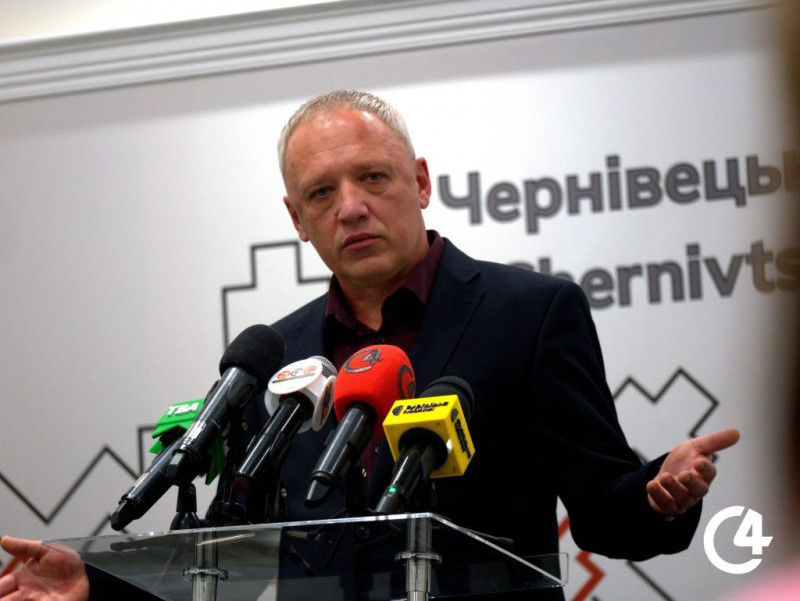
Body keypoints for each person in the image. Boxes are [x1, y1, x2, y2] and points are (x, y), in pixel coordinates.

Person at [1, 90, 740, 601]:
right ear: (297, 219)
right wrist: (95, 586)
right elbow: (228, 557)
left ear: (419, 182)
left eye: (373, 177)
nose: (351, 206)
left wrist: (659, 493)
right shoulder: (274, 358)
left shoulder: (531, 313)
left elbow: (605, 511)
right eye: (321, 193)